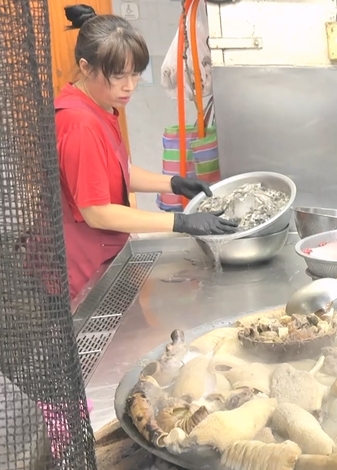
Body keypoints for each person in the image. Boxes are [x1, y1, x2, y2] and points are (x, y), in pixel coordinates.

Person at [56, 5, 237, 301]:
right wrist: (181, 223)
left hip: (105, 255)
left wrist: (174, 183)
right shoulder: (79, 124)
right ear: (86, 67)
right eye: (117, 76)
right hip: (84, 273)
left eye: (135, 74)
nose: (129, 87)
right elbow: (97, 212)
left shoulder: (96, 106)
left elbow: (117, 170)